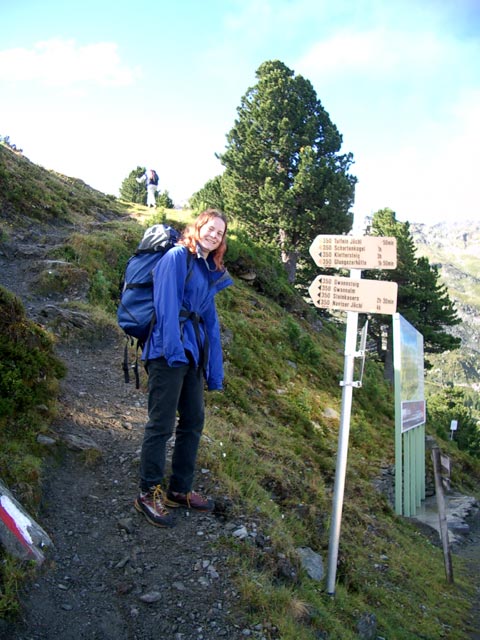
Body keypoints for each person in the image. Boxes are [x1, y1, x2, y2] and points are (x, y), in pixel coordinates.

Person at [134, 208, 233, 527]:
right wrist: (174, 351)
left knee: (193, 420)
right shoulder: (177, 257)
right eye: (210, 228)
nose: (214, 235)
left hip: (191, 354)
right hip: (166, 350)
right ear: (198, 227)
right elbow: (165, 306)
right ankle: (147, 493)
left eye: (220, 233)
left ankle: (179, 489)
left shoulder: (207, 269)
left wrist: (213, 370)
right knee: (161, 422)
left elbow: (210, 323)